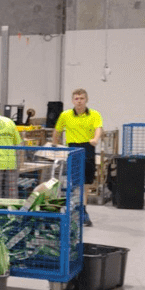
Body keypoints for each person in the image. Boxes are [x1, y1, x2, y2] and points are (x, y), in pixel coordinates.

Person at [52, 88, 103, 226]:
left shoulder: (94, 114)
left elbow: (98, 128)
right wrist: (55, 145)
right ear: (72, 100)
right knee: (74, 182)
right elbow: (57, 131)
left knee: (85, 183)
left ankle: (83, 211)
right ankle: (73, 210)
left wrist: (95, 139)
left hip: (88, 148)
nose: (79, 101)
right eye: (76, 99)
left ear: (86, 100)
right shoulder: (65, 115)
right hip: (73, 148)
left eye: (81, 98)